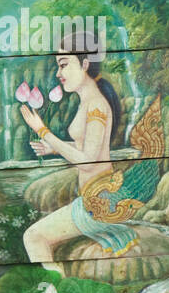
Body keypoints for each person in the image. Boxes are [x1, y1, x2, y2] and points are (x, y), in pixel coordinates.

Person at [17, 33, 160, 271]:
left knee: (33, 236)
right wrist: (56, 149)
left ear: (84, 64)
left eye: (64, 65)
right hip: (95, 198)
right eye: (57, 66)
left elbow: (89, 161)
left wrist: (43, 131)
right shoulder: (91, 101)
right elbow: (93, 150)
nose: (58, 74)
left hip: (99, 202)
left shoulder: (96, 105)